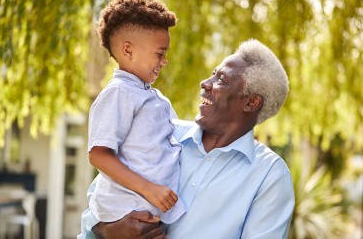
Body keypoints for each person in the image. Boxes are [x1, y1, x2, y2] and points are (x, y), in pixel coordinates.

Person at [84, 38, 295, 239]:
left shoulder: (270, 176)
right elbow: (95, 205)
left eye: (221, 79)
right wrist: (108, 231)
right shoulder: (161, 130)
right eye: (213, 74)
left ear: (251, 103)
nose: (205, 83)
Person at [78, 0, 186, 238]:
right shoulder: (119, 94)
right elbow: (98, 155)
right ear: (128, 50)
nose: (164, 61)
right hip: (128, 211)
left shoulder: (153, 97)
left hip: (150, 212)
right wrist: (150, 189)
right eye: (160, 53)